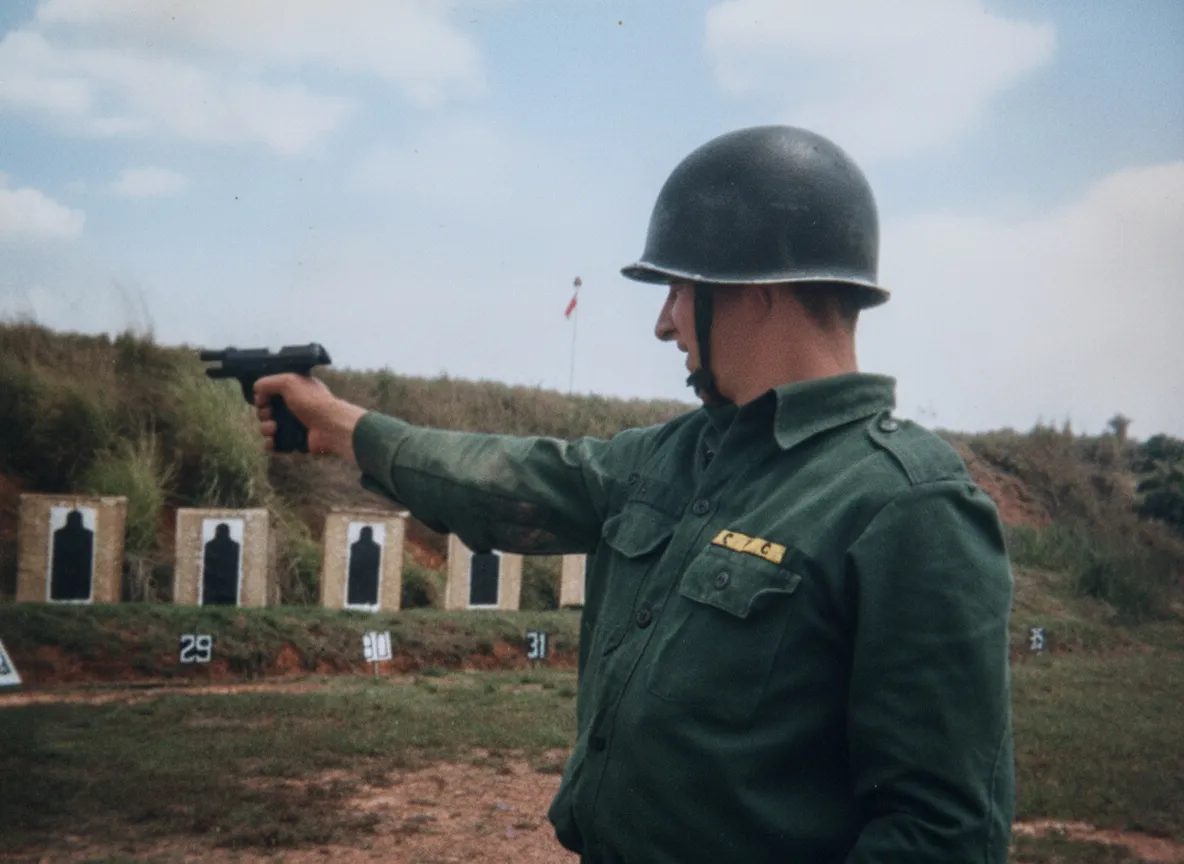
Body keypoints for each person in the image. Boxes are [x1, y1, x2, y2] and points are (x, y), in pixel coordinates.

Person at [253, 125, 1015, 863]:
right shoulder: (675, 456)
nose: (663, 324)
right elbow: (508, 477)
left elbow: (940, 831)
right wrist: (341, 427)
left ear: (757, 289)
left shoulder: (910, 506)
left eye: (678, 289)